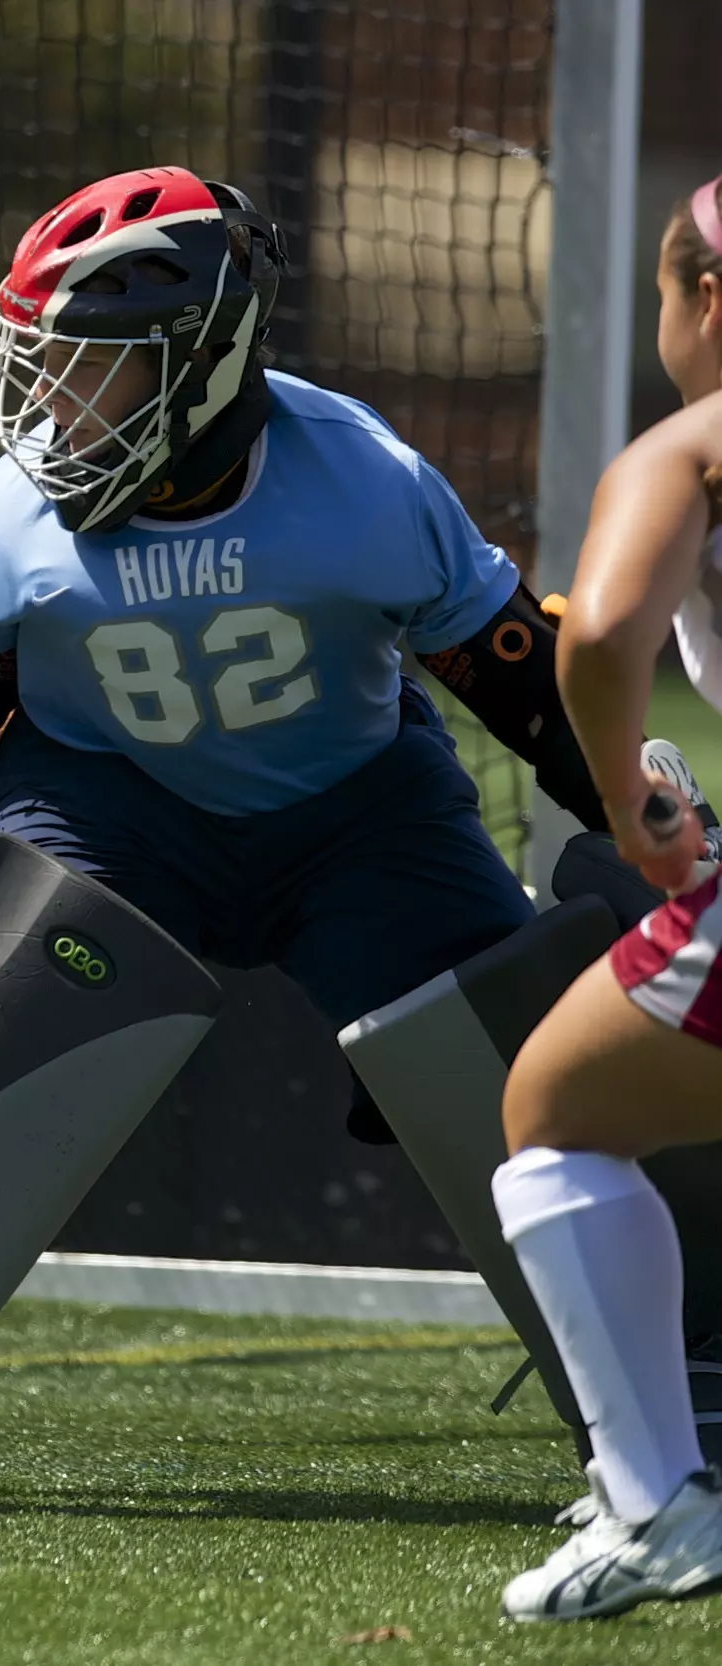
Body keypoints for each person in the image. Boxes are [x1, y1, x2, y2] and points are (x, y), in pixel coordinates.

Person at [0, 165, 667, 1507]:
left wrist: (659, 844)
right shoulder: (11, 515)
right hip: (110, 810)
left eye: (91, 371)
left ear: (201, 364)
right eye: (43, 367)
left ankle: (692, 1354)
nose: (51, 406)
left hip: (361, 821)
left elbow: (521, 679)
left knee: (524, 1056)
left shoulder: (362, 479)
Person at [486, 173, 722, 1622]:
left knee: (553, 1114)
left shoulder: (686, 454)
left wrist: (637, 811)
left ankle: (657, 1502)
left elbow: (594, 649)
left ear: (709, 299)